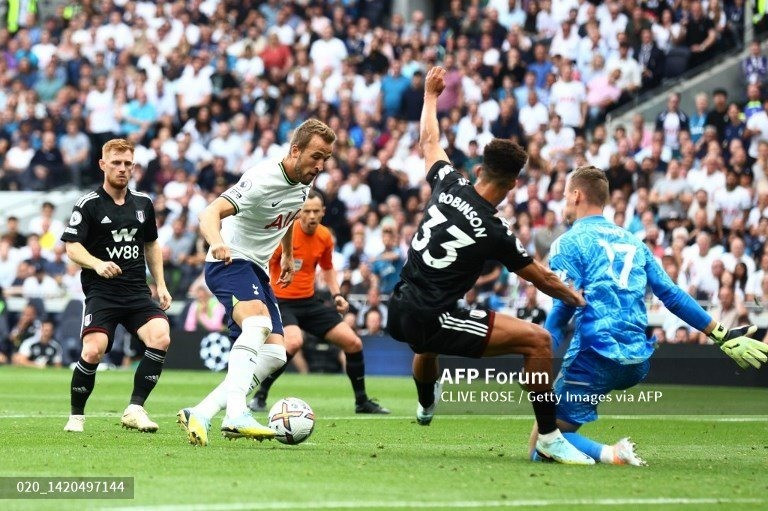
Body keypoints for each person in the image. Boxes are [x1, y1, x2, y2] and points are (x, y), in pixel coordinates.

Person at [385, 67, 593, 465]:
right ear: (514, 185)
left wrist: (431, 94)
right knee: (538, 341)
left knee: (426, 348)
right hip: (432, 315)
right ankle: (549, 437)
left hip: (400, 306)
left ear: (478, 170)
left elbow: (429, 140)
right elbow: (544, 280)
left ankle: (425, 404)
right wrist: (581, 301)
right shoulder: (496, 231)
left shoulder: (448, 182)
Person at [530, 165, 768, 466]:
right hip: (636, 360)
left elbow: (564, 305)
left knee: (542, 443)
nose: (563, 203)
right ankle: (603, 451)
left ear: (577, 195)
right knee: (548, 430)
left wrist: (539, 348)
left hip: (595, 353)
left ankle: (612, 453)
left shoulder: (567, 243)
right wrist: (719, 333)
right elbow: (672, 294)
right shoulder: (634, 242)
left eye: (565, 196)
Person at [177, 119, 336, 447]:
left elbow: (288, 217)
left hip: (258, 269)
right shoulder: (262, 179)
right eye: (316, 156)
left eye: (326, 159)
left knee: (276, 354)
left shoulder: (302, 187)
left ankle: (202, 412)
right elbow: (209, 212)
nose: (320, 166)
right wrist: (217, 241)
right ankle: (236, 413)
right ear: (295, 151)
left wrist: (288, 255)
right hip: (229, 261)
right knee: (258, 324)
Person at [60, 138, 172, 433]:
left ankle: (135, 409)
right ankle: (76, 416)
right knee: (94, 350)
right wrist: (97, 263)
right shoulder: (89, 205)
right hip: (102, 293)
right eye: (116, 163)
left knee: (160, 336)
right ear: (103, 165)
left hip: (136, 292)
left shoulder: (143, 203)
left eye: (127, 164)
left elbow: (151, 243)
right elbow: (71, 247)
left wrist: (160, 284)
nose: (122, 169)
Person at [248, 190, 389, 414]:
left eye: (316, 211)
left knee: (353, 343)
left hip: (309, 302)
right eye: (307, 211)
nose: (312, 216)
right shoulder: (285, 235)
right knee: (293, 342)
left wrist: (337, 295)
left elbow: (328, 268)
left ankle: (362, 402)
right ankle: (260, 396)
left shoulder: (324, 236)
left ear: (323, 212)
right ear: (298, 213)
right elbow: (262, 266)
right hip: (281, 302)